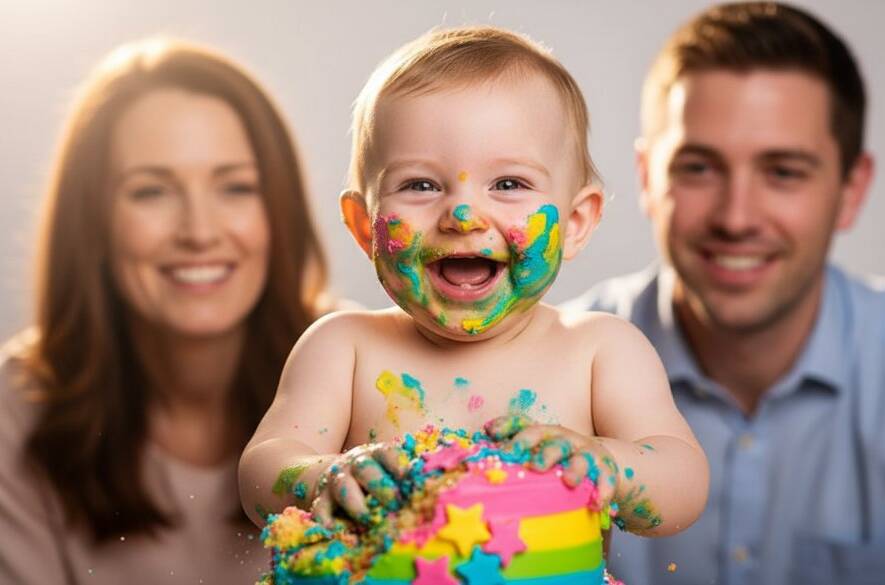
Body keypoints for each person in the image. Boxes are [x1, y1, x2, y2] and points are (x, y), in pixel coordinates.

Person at [239, 25, 708, 550]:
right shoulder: (343, 348)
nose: (463, 215)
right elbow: (262, 473)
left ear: (575, 221)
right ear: (363, 225)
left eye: (508, 184)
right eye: (420, 185)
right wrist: (324, 475)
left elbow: (683, 483)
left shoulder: (599, 351)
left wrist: (606, 466)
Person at [565, 3, 885, 584]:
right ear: (645, 178)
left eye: (784, 171)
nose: (736, 219)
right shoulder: (532, 373)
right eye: (698, 168)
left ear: (851, 189)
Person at [0, 38, 332, 584]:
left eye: (236, 187)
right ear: (94, 222)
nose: (199, 232)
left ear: (279, 210)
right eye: (151, 191)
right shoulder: (18, 409)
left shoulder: (366, 367)